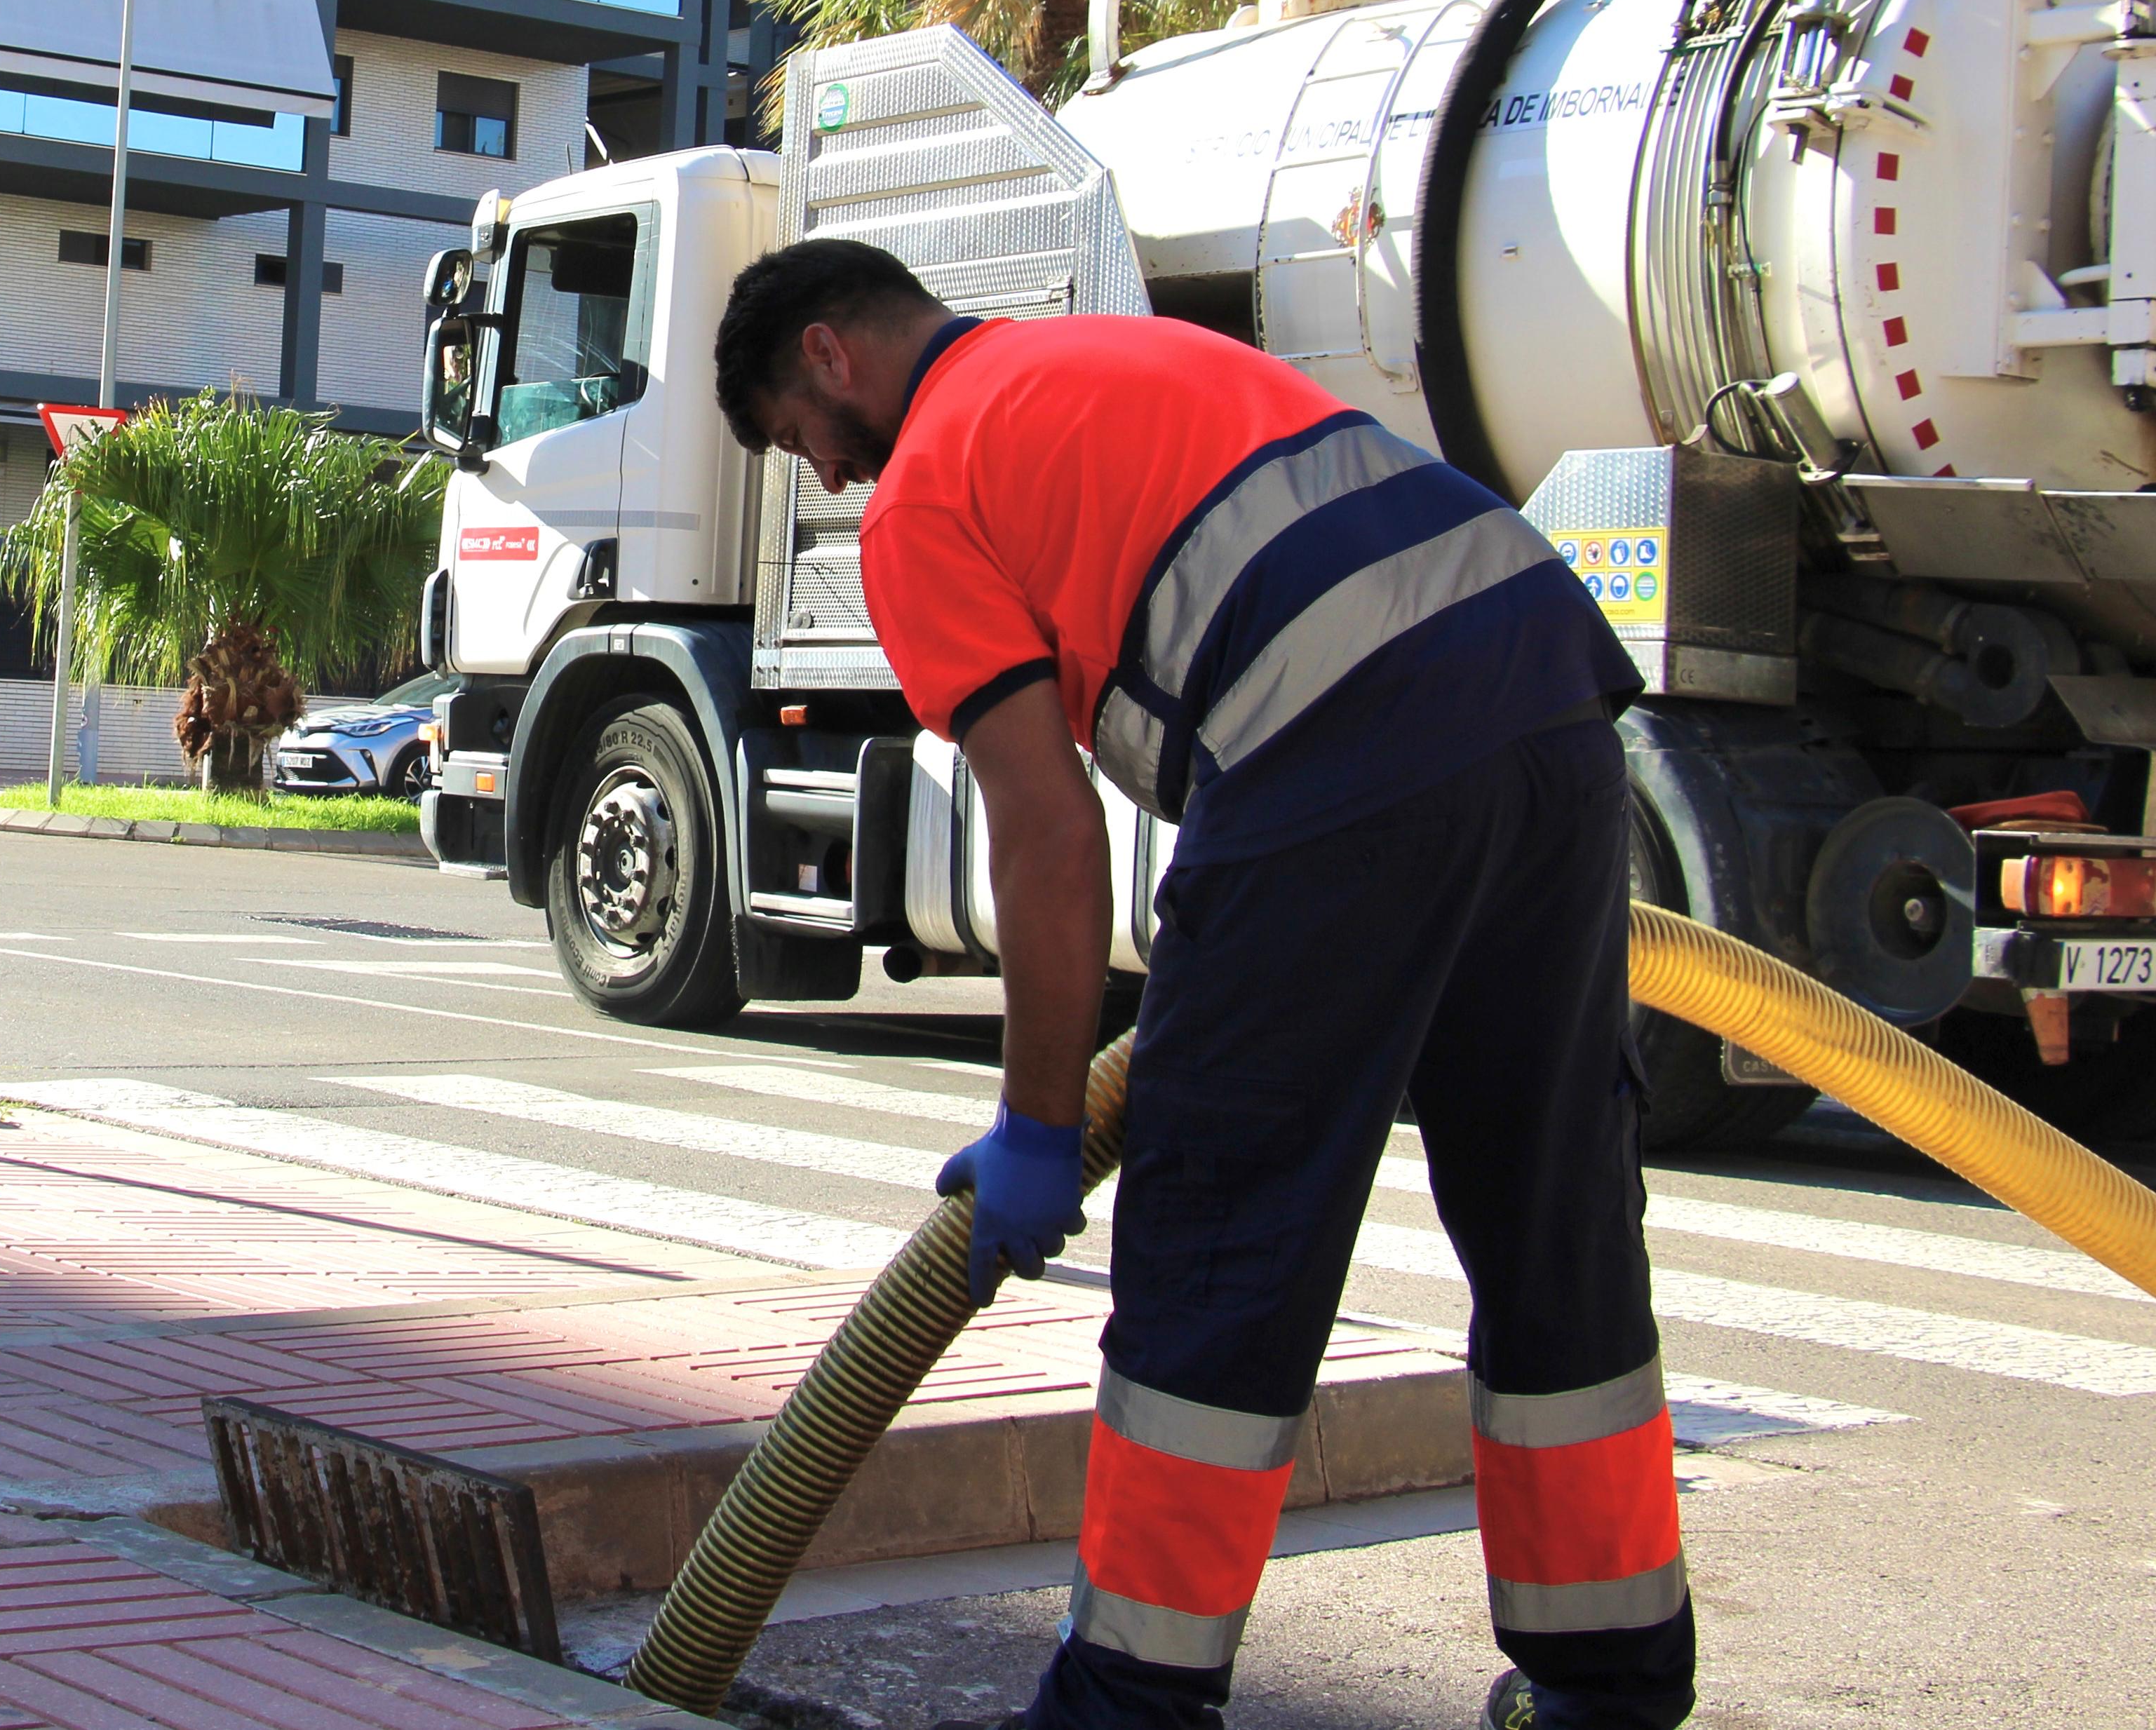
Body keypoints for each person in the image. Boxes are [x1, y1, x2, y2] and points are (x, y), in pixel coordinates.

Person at [712, 241, 1683, 1730]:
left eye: (800, 437)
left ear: (832, 354)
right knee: (1550, 1212)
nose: (830, 479)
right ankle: (1609, 1678)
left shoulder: (927, 490)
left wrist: (1043, 1123)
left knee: (1220, 1225)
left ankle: (1131, 1700)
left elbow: (1046, 829)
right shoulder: (1106, 355)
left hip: (1335, 740)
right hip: (1549, 694)